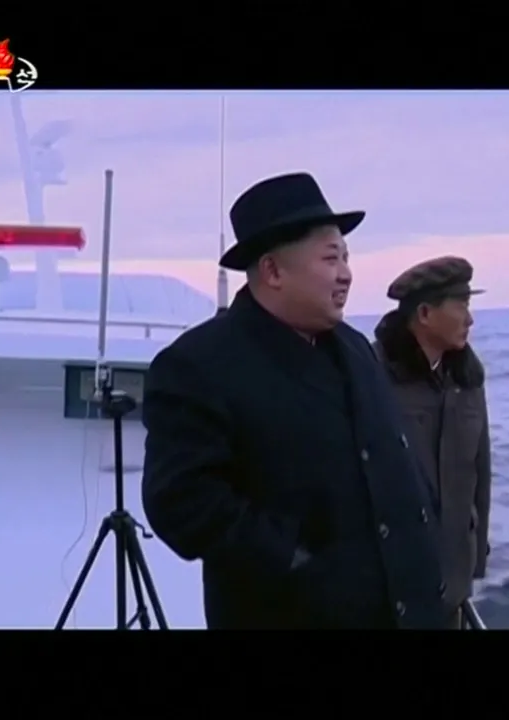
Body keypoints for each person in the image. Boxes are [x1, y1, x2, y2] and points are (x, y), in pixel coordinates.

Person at [140, 172, 449, 629]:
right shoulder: (199, 364)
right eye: (330, 258)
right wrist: (294, 560)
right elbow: (181, 502)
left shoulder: (355, 347)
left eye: (346, 257)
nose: (346, 274)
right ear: (273, 271)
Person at [372, 256, 493, 629]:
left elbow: (480, 472)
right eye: (462, 306)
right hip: (389, 587)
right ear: (424, 313)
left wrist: (475, 560)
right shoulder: (372, 376)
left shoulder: (467, 379)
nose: (470, 320)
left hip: (452, 584)